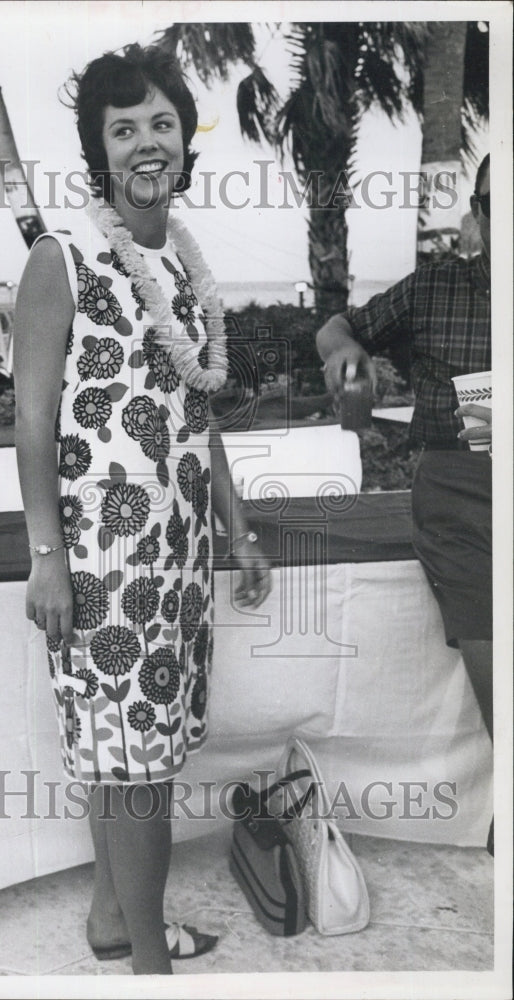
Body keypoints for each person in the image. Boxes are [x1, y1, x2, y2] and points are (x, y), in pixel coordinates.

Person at [14, 44, 272, 974]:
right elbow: (32, 423)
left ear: (183, 138)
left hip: (178, 559)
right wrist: (48, 555)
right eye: (125, 129)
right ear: (101, 149)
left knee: (119, 751)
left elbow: (201, 414)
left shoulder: (185, 271)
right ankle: (150, 974)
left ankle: (112, 921)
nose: (147, 142)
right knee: (137, 768)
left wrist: (236, 533)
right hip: (100, 563)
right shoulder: (64, 257)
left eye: (161, 122)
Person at [316, 155, 492, 852]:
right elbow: (337, 327)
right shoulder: (436, 288)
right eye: (496, 201)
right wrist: (345, 361)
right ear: (477, 211)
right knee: (493, 651)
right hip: (462, 497)